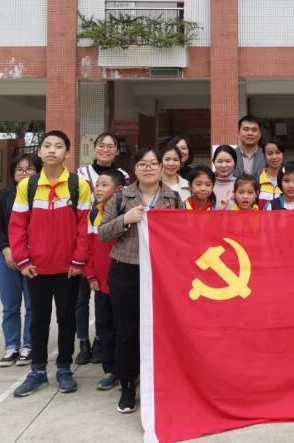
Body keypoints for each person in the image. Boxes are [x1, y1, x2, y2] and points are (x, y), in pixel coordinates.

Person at [99, 146, 184, 413]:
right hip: (126, 270)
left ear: (161, 168)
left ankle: (158, 384)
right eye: (142, 164)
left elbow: (183, 235)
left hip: (161, 274)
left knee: (160, 330)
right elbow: (102, 232)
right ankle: (127, 386)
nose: (148, 168)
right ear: (135, 169)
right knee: (126, 332)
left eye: (153, 164)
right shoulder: (121, 197)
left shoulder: (173, 198)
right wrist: (125, 219)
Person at [10, 130, 92, 397]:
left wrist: (79, 260)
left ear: (67, 153)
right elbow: (17, 226)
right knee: (38, 319)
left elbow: (85, 226)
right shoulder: (28, 186)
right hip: (37, 268)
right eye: (47, 145)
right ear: (40, 151)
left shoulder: (79, 185)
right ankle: (37, 370)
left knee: (67, 319)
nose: (52, 150)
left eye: (58, 146)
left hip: (69, 268)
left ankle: (64, 368)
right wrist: (23, 260)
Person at [75, 132, 128, 366]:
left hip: (109, 241)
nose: (106, 149)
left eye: (111, 146)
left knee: (106, 303)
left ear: (117, 150)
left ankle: (101, 343)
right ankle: (83, 342)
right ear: (94, 148)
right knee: (81, 298)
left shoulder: (123, 176)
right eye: (101, 145)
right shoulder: (80, 174)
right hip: (87, 235)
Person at [0, 153, 40, 368]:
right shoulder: (3, 197)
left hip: (35, 257)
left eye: (29, 169)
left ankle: (29, 345)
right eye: (20, 169)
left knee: (33, 305)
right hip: (8, 257)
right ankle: (11, 346)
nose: (24, 173)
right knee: (10, 305)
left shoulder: (43, 196)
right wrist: (6, 250)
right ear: (13, 173)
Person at [84, 169, 125, 390]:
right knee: (104, 327)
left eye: (104, 185)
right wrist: (90, 274)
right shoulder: (93, 214)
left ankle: (127, 369)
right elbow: (89, 248)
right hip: (101, 283)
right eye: (97, 185)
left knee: (123, 328)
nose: (98, 189)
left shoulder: (126, 213)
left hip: (123, 282)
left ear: (119, 190)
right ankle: (110, 370)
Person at [257, 137, 284, 208]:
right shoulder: (257, 180)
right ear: (264, 156)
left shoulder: (290, 180)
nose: (274, 157)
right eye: (270, 154)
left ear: (283, 154)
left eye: (278, 153)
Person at [212, 144, 238, 209]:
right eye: (220, 161)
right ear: (214, 162)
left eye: (228, 161)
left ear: (235, 163)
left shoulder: (240, 184)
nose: (223, 165)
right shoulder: (208, 184)